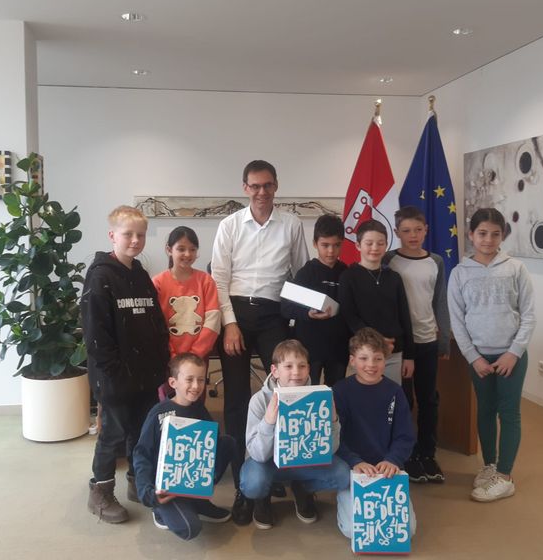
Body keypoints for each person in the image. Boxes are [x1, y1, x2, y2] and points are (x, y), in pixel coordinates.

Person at [210, 159, 309, 524]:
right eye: (255, 186)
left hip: (273, 314)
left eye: (267, 185)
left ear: (276, 186)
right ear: (245, 188)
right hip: (235, 311)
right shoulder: (229, 225)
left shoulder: (292, 224)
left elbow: (300, 275)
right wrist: (230, 324)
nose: (262, 192)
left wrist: (304, 314)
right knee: (237, 400)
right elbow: (219, 280)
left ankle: (283, 473)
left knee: (288, 390)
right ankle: (246, 486)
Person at [81, 205, 170, 524]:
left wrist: (162, 363)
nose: (135, 240)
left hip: (146, 374)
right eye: (128, 234)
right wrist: (114, 373)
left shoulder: (141, 275)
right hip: (114, 377)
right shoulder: (100, 276)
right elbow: (96, 334)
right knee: (113, 435)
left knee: (140, 431)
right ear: (112, 235)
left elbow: (156, 322)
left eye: (140, 235)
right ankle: (100, 491)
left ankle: (138, 480)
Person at [448, 207, 536, 503]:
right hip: (479, 358)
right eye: (482, 233)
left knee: (509, 413)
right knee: (485, 411)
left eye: (495, 234)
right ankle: (489, 466)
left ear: (502, 236)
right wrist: (473, 357)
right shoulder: (459, 273)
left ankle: (505, 476)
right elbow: (457, 320)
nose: (488, 240)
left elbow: (529, 315)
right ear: (471, 235)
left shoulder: (516, 269)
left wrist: (514, 352)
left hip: (511, 357)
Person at [239, 339, 349, 529]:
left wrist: (333, 420)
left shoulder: (319, 397)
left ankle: (303, 488)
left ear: (309, 369)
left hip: (304, 461)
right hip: (268, 463)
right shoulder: (259, 400)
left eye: (302, 366)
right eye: (288, 366)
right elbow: (257, 454)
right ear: (275, 371)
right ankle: (263, 497)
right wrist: (268, 422)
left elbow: (330, 450)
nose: (296, 372)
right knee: (253, 483)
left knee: (343, 475)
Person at [132, 354, 236, 540]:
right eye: (189, 379)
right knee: (189, 528)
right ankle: (160, 509)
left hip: (191, 478)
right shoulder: (158, 413)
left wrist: (206, 480)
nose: (196, 386)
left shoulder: (199, 409)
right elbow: (142, 453)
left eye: (201, 380)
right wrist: (148, 492)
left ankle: (198, 499)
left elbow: (211, 444)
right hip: (166, 487)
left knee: (227, 443)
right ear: (173, 382)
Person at [383, 206, 450, 484]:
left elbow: (440, 302)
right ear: (397, 232)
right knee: (403, 400)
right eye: (406, 230)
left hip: (427, 340)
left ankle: (427, 453)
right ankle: (407, 453)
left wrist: (443, 340)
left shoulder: (436, 261)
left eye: (418, 230)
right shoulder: (388, 260)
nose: (413, 235)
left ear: (426, 231)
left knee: (428, 399)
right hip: (400, 345)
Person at [333, 328, 417, 539]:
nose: (371, 365)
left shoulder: (395, 392)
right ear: (352, 361)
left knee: (406, 531)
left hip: (387, 470)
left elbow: (405, 435)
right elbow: (335, 437)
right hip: (355, 470)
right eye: (364, 358)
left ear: (385, 361)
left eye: (377, 358)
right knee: (355, 531)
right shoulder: (340, 391)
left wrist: (393, 460)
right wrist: (355, 461)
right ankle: (343, 499)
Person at [338, 219, 415, 385]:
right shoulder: (348, 277)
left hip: (393, 353)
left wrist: (409, 355)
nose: (375, 248)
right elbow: (350, 316)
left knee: (391, 398)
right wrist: (378, 341)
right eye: (369, 243)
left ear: (386, 245)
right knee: (364, 398)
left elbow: (404, 317)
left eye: (380, 243)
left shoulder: (394, 278)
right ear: (358, 245)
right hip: (363, 354)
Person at [281, 214, 351, 386]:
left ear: (342, 243)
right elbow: (286, 308)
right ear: (315, 243)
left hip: (338, 347)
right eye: (325, 245)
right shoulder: (306, 273)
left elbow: (352, 309)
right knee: (309, 391)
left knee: (336, 391)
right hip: (309, 347)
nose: (331, 251)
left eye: (336, 245)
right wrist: (308, 314)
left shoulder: (347, 273)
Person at [153, 226, 220, 399]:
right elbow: (156, 323)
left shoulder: (205, 281)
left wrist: (195, 354)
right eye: (181, 249)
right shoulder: (158, 282)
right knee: (169, 399)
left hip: (198, 355)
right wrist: (172, 355)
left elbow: (212, 320)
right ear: (169, 250)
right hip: (168, 356)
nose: (187, 254)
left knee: (195, 396)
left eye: (192, 249)